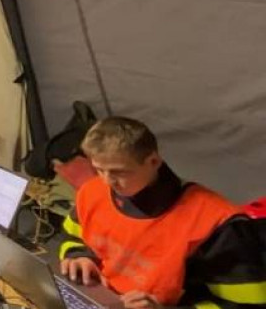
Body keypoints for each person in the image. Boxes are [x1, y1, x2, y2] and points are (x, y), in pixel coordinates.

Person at [59, 116, 266, 309]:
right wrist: (79, 256)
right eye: (99, 169)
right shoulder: (92, 191)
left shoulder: (217, 221)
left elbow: (246, 305)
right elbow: (72, 237)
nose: (107, 181)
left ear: (153, 161)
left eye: (119, 171)